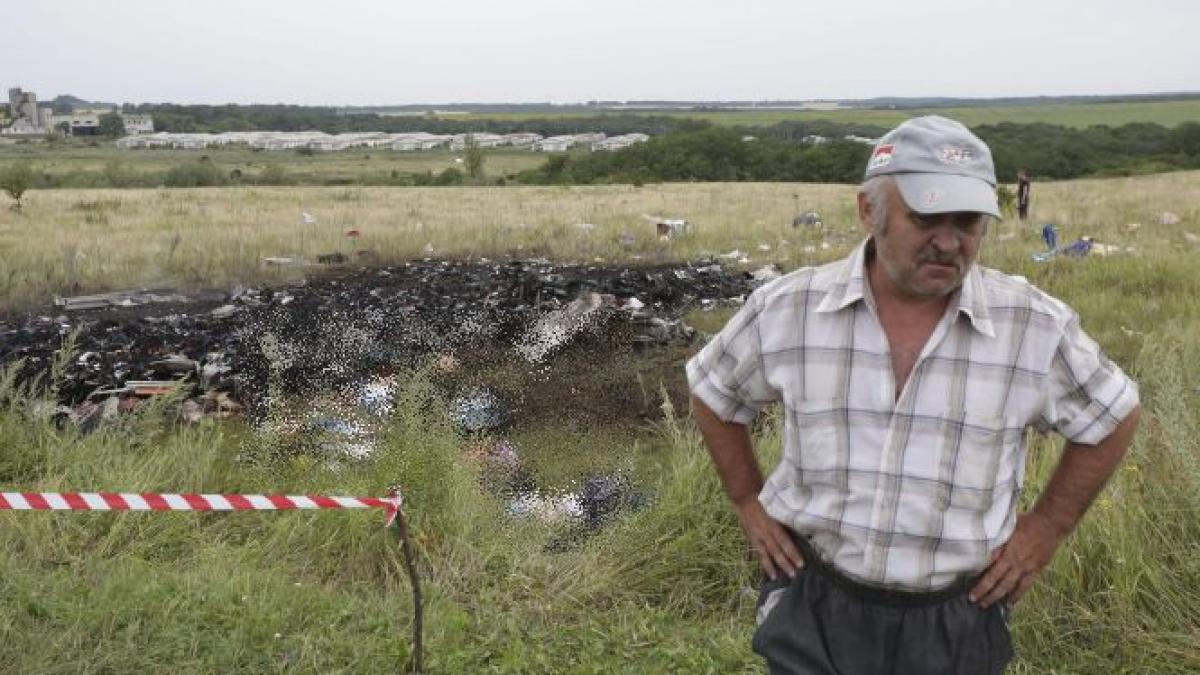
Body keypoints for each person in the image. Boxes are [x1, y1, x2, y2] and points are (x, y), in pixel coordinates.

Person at [686, 116, 1140, 675]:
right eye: (925, 216)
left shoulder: (1033, 326)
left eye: (968, 221)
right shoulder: (789, 309)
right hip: (816, 598)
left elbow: (1113, 415)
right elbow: (714, 391)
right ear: (867, 212)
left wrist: (1047, 528)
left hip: (955, 615)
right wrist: (747, 502)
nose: (949, 242)